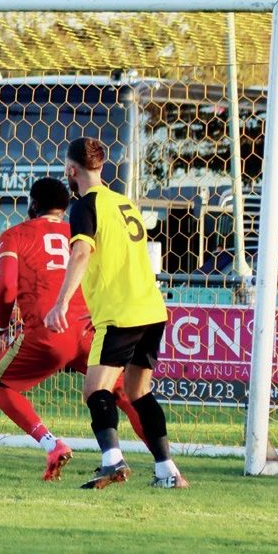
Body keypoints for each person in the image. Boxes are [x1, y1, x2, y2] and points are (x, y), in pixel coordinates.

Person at [0, 177, 147, 480]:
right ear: (66, 206)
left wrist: (1, 323)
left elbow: (6, 287)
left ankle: (52, 444)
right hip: (89, 330)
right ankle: (165, 462)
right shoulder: (81, 233)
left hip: (48, 333)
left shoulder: (14, 235)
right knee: (122, 390)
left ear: (32, 204)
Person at [45, 138, 186, 489]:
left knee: (95, 391)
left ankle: (112, 461)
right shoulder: (125, 203)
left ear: (71, 169)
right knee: (139, 392)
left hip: (121, 315)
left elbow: (81, 254)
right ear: (102, 166)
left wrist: (61, 302)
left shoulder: (84, 206)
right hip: (151, 310)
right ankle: (167, 471)